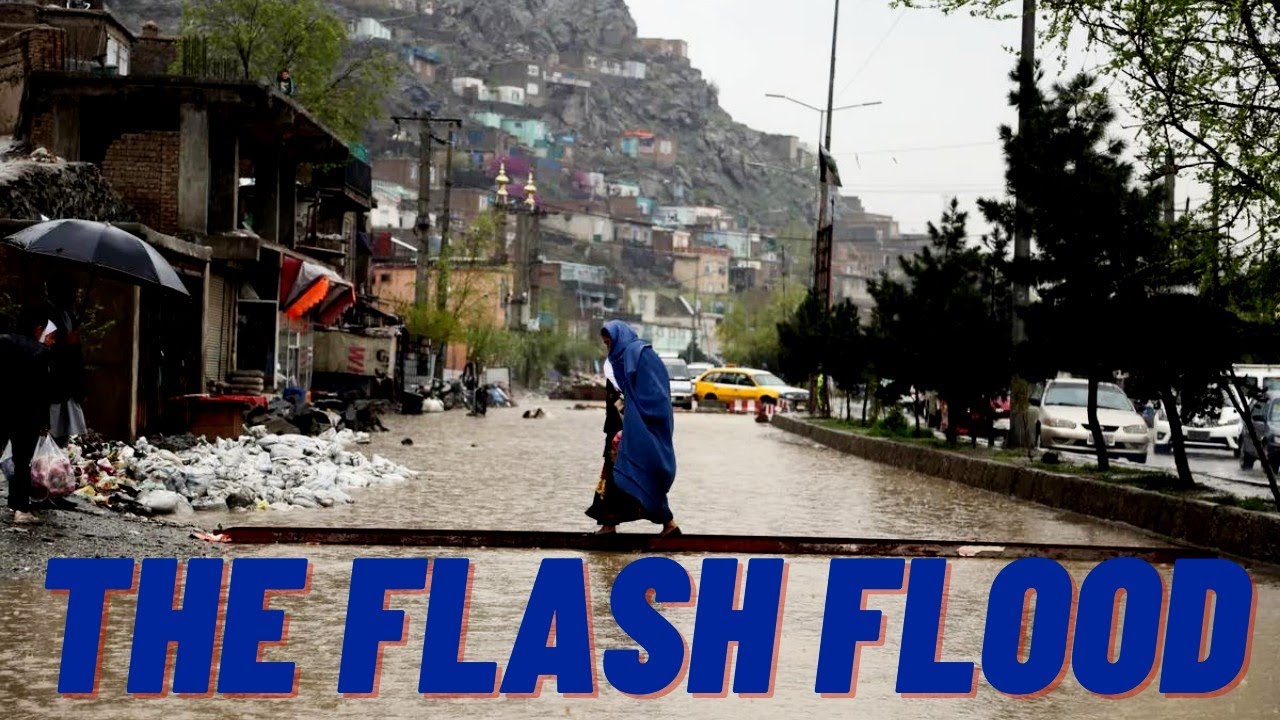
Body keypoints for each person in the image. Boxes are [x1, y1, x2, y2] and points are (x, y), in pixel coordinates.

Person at [586, 321, 680, 537]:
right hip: (617, 430)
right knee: (614, 477)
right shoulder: (615, 362)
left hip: (636, 430)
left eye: (610, 343)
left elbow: (655, 395)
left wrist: (632, 420)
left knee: (642, 473)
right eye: (606, 344)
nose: (608, 348)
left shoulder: (640, 356)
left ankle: (668, 522)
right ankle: (610, 524)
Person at [0, 305, 52, 525]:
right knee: (22, 462)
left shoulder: (2, 341)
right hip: (26, 415)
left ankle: (16, 502)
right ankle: (20, 508)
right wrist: (44, 421)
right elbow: (43, 391)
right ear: (38, 329)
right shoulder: (39, 353)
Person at [45, 279, 86, 446]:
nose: (75, 297)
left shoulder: (69, 314)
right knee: (51, 429)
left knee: (65, 430)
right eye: (71, 293)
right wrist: (65, 342)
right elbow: (43, 345)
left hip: (67, 383)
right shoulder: (46, 313)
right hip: (53, 380)